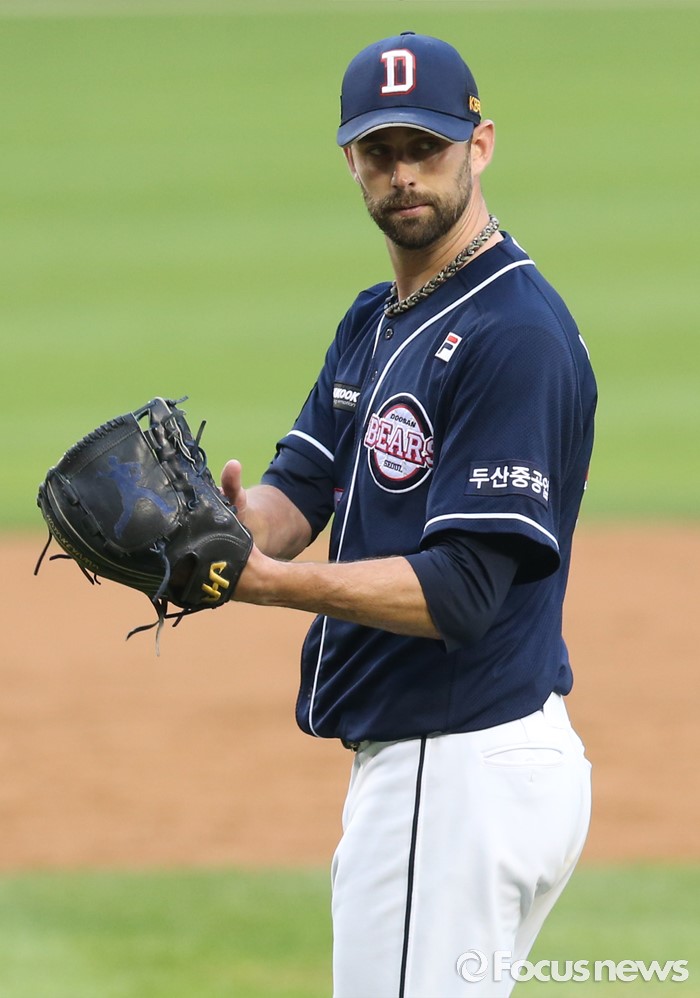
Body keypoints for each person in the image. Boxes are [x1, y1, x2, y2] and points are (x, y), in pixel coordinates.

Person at [222, 31, 596, 998]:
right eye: (380, 151)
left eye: (426, 147)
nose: (404, 174)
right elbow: (297, 493)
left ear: (480, 146)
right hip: (449, 773)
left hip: (457, 763)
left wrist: (273, 586)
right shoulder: (375, 318)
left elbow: (463, 591)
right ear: (350, 160)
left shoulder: (514, 334)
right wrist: (217, 533)